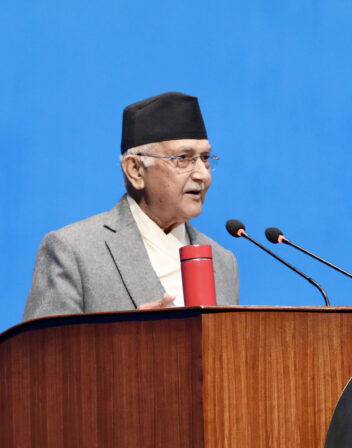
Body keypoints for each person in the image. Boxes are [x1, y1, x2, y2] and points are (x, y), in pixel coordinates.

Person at [23, 92, 239, 320]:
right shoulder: (73, 251)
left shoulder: (223, 261)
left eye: (205, 158)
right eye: (183, 158)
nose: (203, 175)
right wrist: (129, 335)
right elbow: (42, 344)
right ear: (135, 170)